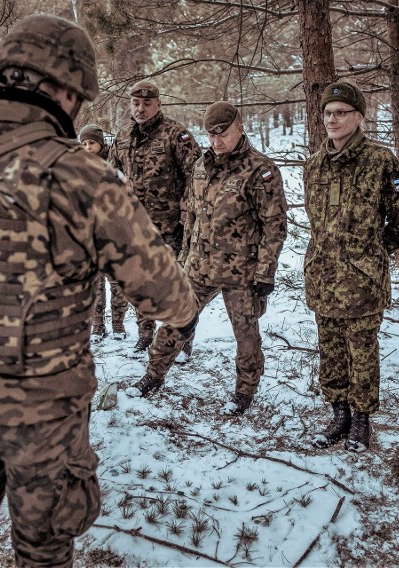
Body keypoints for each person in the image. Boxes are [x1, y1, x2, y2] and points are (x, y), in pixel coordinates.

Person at [0, 15, 197, 567]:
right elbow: (168, 299)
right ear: (60, 89)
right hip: (43, 422)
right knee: (44, 555)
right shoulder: (81, 175)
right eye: (75, 97)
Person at [127, 101, 287, 415]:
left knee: (246, 334)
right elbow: (190, 213)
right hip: (198, 265)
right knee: (175, 321)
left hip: (241, 270)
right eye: (211, 135)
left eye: (223, 134)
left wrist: (265, 273)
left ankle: (244, 391)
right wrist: (185, 255)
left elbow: (274, 225)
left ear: (240, 127)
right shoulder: (201, 166)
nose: (217, 141)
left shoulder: (260, 169)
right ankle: (153, 375)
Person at [304, 81, 399, 453]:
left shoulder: (380, 161)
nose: (332, 119)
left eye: (341, 113)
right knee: (330, 349)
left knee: (362, 351)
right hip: (323, 277)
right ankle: (339, 414)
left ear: (359, 117)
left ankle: (362, 418)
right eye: (328, 113)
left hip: (362, 281)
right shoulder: (315, 164)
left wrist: (378, 248)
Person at [109, 80, 201, 352]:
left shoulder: (176, 134)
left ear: (158, 104)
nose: (141, 109)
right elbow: (110, 173)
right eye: (136, 103)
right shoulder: (123, 136)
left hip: (171, 227)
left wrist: (188, 218)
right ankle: (145, 335)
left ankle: (181, 339)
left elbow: (197, 176)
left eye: (147, 104)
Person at [78, 123, 129, 340]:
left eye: (92, 143)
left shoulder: (114, 163)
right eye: (84, 143)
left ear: (101, 143)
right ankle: (98, 324)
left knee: (117, 281)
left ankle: (118, 324)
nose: (88, 147)